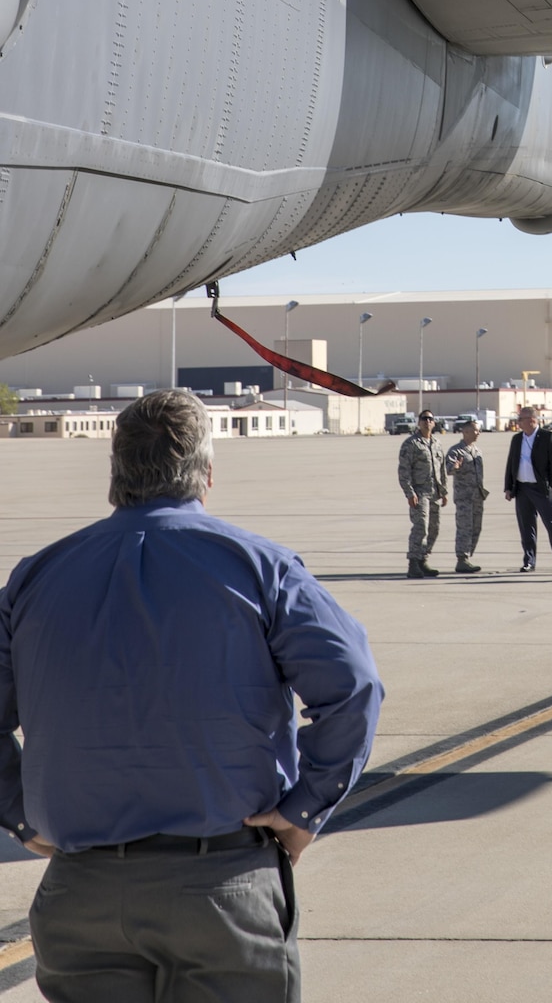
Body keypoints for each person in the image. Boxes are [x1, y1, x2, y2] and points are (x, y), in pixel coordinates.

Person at [0, 389, 381, 1001]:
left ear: (115, 476)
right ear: (206, 475)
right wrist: (304, 808)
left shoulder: (35, 577)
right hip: (222, 885)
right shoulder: (262, 568)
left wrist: (18, 814)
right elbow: (354, 686)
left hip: (82, 891)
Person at [503, 406, 552, 572]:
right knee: (526, 527)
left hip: (540, 488)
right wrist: (509, 487)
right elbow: (511, 463)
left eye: (520, 419)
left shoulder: (547, 437)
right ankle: (529, 560)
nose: (517, 422)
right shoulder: (517, 439)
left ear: (531, 420)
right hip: (522, 488)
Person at [398, 408, 447, 579]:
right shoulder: (411, 444)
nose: (427, 421)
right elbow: (404, 471)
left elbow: (441, 469)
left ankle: (423, 560)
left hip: (435, 493)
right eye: (424, 418)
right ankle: (413, 563)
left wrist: (444, 491)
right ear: (419, 422)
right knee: (421, 528)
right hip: (420, 493)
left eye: (430, 419)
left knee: (434, 528)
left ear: (434, 423)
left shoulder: (437, 443)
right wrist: (409, 493)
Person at [445, 419, 488, 574]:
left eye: (479, 430)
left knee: (476, 527)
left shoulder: (477, 451)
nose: (478, 433)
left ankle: (467, 556)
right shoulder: (456, 451)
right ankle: (462, 559)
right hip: (464, 498)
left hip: (477, 497)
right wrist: (454, 467)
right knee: (464, 528)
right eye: (476, 430)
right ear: (466, 431)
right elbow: (448, 469)